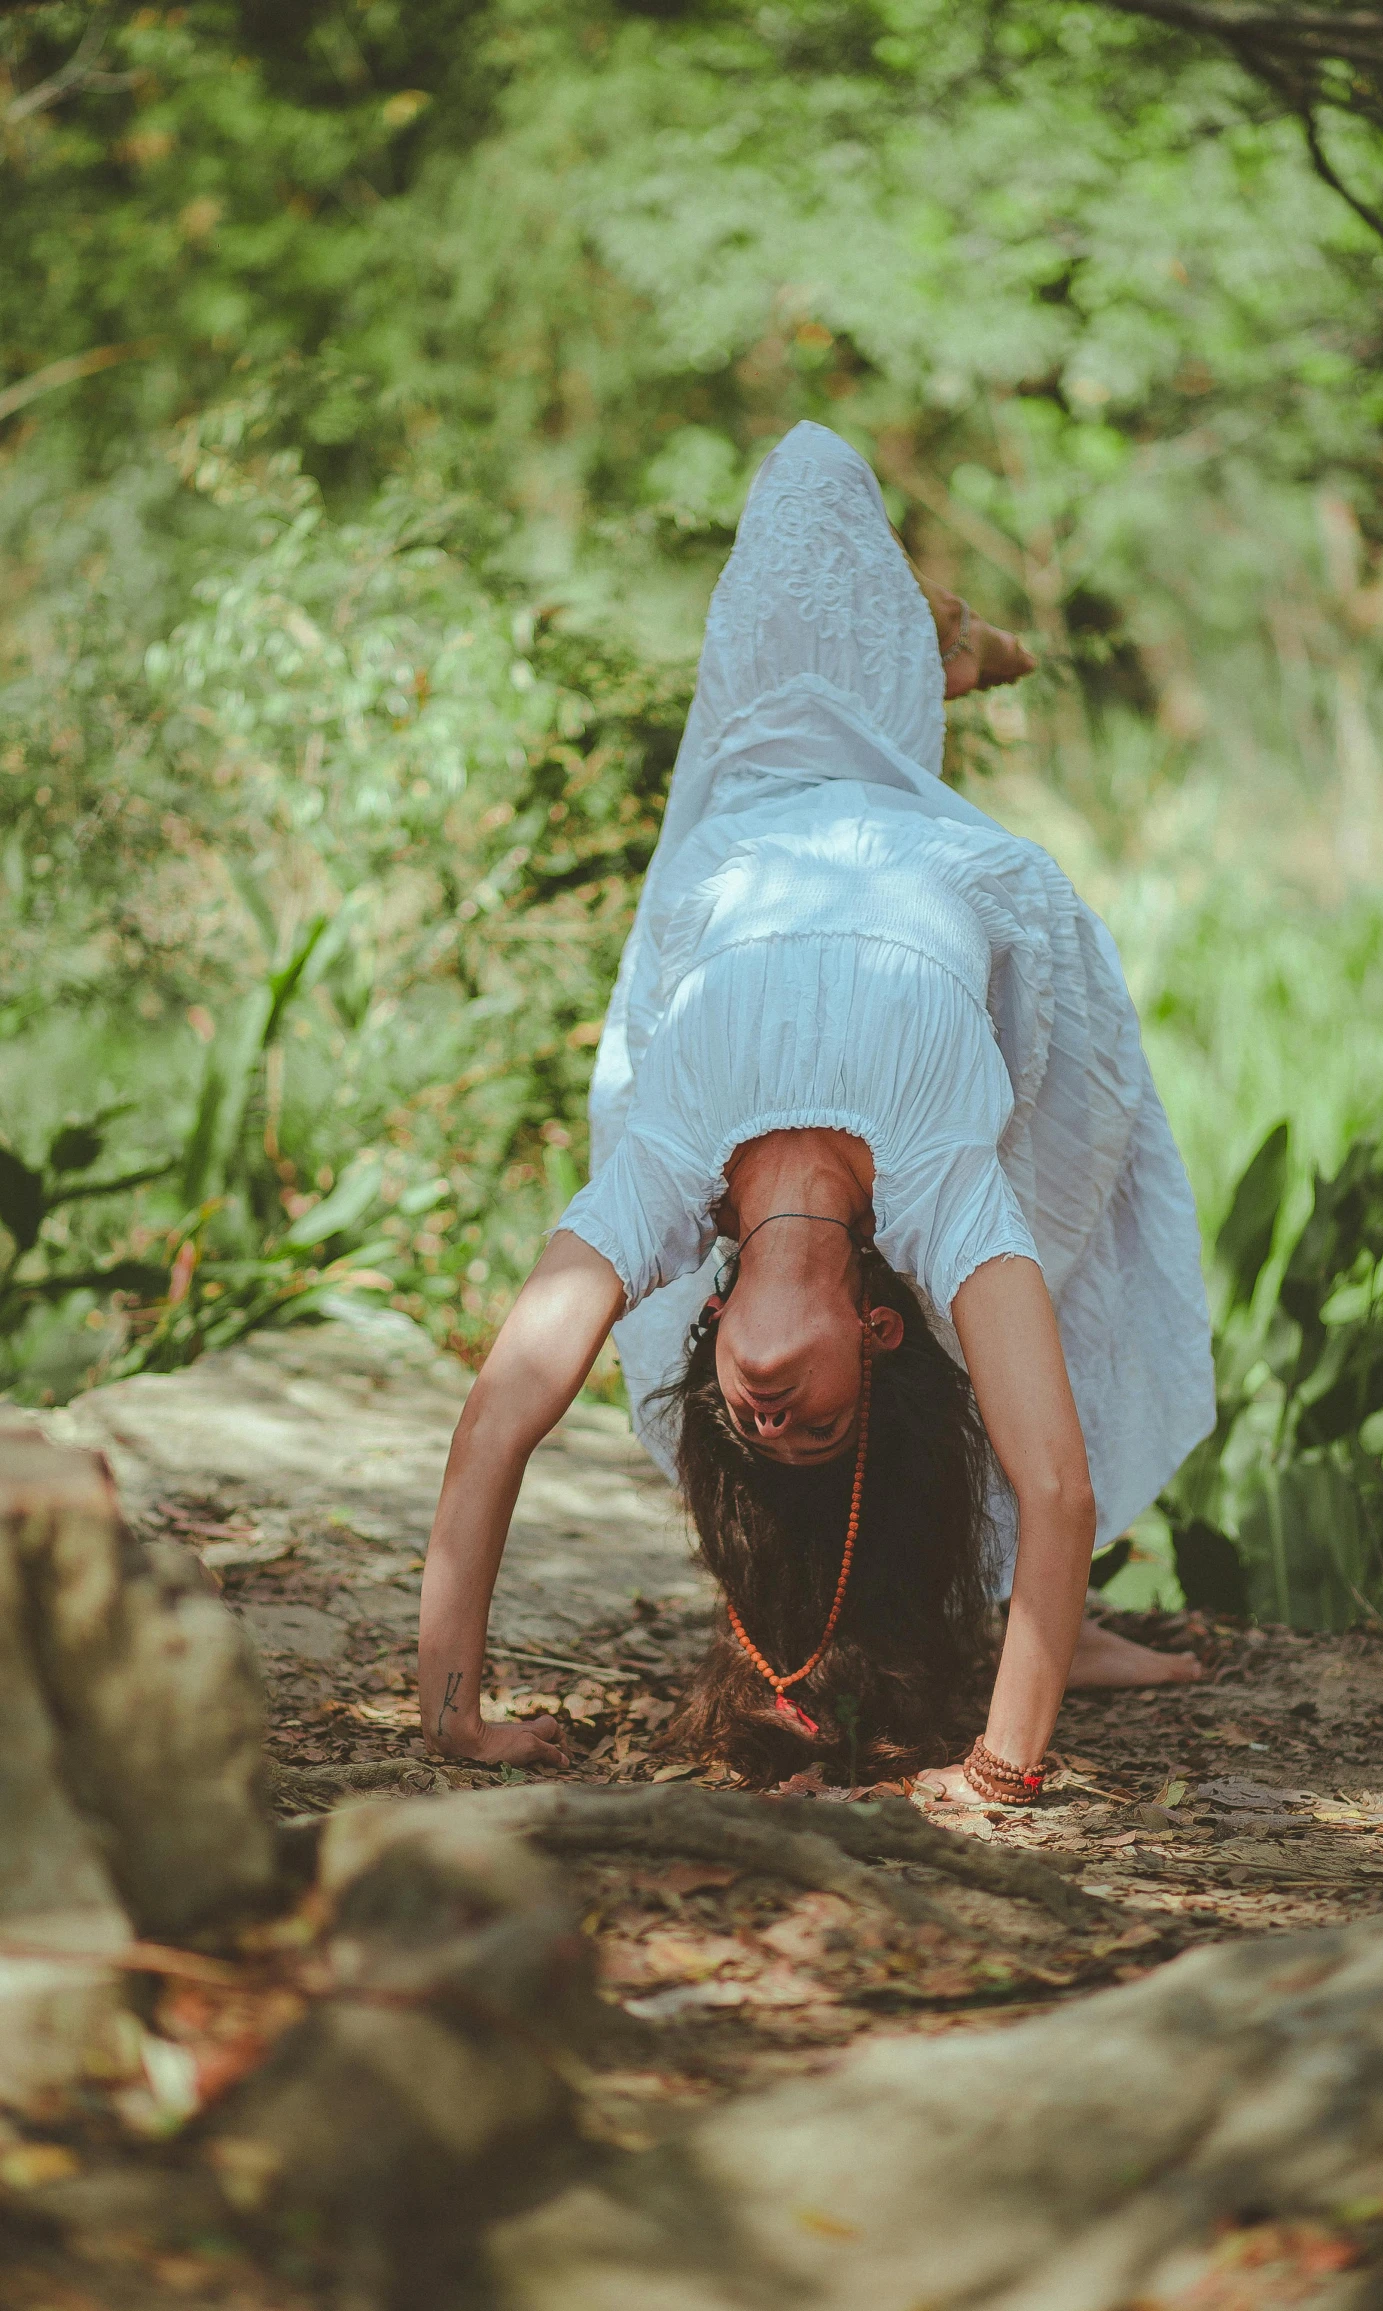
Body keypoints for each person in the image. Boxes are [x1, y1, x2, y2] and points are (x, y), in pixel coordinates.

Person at [418, 423, 1215, 1806]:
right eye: (819, 1432)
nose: (769, 1420)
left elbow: (495, 1421)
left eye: (751, 1428)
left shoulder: (660, 1182)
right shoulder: (941, 1197)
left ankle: (949, 653)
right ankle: (946, 660)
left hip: (742, 814)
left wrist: (452, 1716)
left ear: (711, 1319)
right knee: (1071, 1173)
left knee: (797, 488)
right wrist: (1001, 1767)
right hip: (952, 869)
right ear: (877, 1326)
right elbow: (1057, 1485)